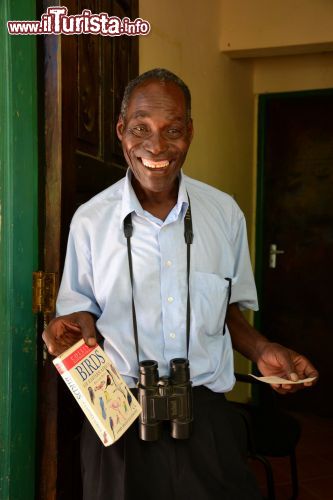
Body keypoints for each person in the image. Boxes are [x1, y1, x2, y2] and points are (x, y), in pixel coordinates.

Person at [43, 68, 318, 500]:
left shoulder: (224, 214)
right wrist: (66, 331)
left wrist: (263, 350)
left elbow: (227, 310)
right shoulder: (91, 221)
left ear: (189, 131)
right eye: (141, 129)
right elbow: (79, 318)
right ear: (120, 131)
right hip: (120, 417)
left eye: (172, 130)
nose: (156, 146)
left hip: (205, 418)